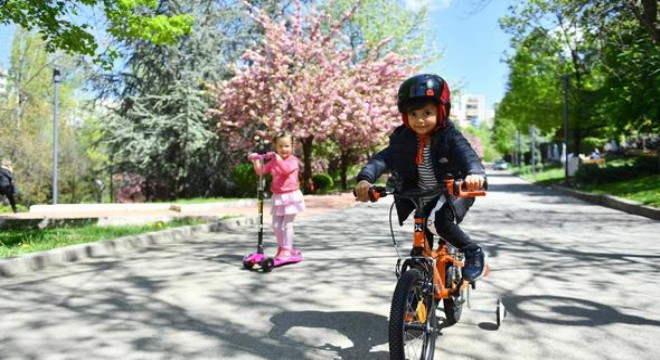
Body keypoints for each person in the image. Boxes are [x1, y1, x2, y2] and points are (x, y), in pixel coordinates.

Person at [354, 74, 487, 282]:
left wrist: (474, 174)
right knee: (420, 244)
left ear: (441, 112)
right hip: (420, 196)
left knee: (441, 222)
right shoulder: (402, 139)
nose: (420, 120)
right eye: (413, 114)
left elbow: (467, 156)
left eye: (427, 113)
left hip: (451, 192)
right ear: (406, 116)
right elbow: (382, 160)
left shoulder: (449, 137)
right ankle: (416, 291)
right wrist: (365, 178)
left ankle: (473, 251)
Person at [249, 132, 305, 259]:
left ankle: (287, 248)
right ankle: (281, 247)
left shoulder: (293, 160)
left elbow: (285, 169)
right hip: (278, 197)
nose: (284, 149)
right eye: (280, 146)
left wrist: (277, 158)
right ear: (275, 146)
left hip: (291, 196)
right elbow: (261, 171)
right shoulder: (274, 160)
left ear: (292, 146)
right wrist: (256, 160)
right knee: (275, 225)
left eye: (287, 146)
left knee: (288, 224)